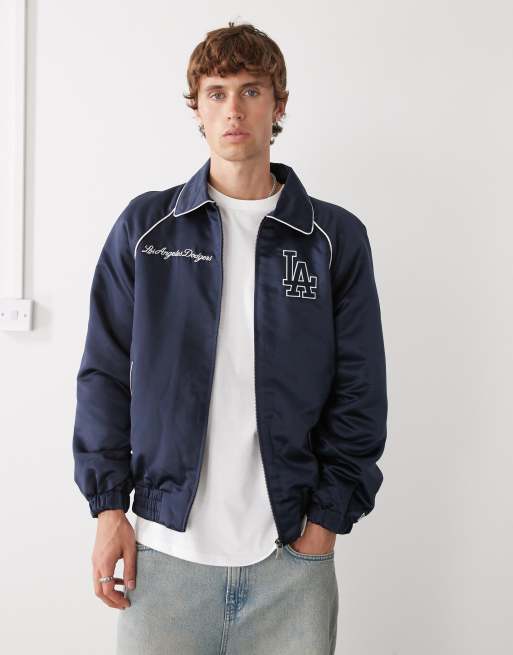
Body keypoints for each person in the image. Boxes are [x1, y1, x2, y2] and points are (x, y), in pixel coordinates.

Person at [72, 21, 388, 655]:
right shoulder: (148, 227)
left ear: (279, 104)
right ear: (197, 108)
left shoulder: (333, 239)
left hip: (290, 560)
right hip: (163, 555)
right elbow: (104, 373)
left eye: (251, 91)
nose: (233, 110)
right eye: (216, 93)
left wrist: (325, 523)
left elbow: (361, 390)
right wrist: (108, 509)